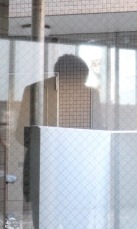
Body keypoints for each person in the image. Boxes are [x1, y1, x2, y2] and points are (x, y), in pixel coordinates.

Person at [16, 54, 102, 201]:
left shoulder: (34, 90)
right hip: (79, 165)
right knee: (79, 210)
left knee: (42, 209)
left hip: (41, 163)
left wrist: (41, 146)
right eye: (80, 80)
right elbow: (96, 132)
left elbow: (20, 133)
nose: (81, 85)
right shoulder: (90, 94)